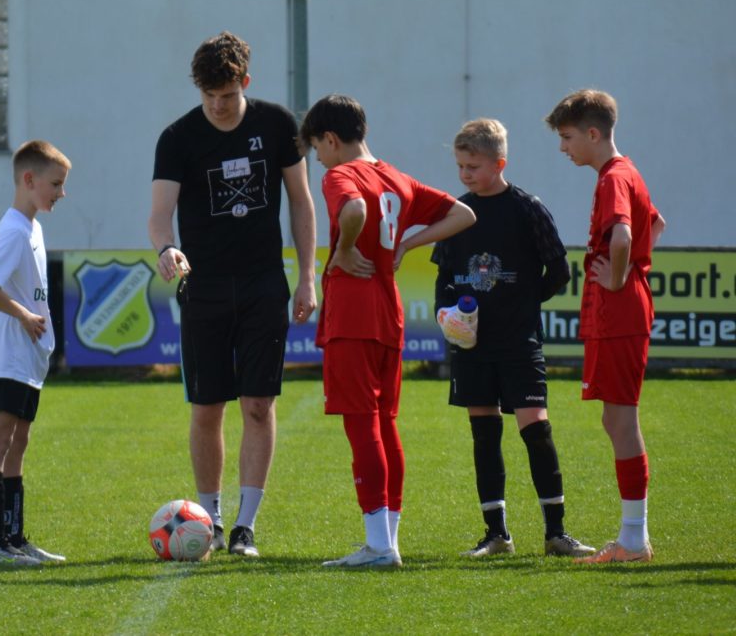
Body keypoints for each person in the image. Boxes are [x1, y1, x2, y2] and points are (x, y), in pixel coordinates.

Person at [148, 31, 317, 557]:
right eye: (209, 97)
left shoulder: (277, 125)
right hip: (205, 287)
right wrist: (166, 250)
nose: (218, 107)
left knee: (259, 406)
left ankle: (245, 526)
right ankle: (210, 519)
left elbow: (302, 204)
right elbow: (159, 216)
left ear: (246, 81)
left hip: (265, 283)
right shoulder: (176, 137)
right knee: (206, 407)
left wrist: (308, 275)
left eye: (227, 95)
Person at [298, 94, 476, 568]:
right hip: (387, 311)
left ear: (331, 140)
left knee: (362, 425)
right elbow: (464, 214)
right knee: (384, 423)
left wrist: (343, 249)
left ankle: (378, 546)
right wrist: (406, 244)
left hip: (353, 313)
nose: (319, 158)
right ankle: (388, 540)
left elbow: (352, 210)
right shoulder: (397, 177)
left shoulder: (340, 174)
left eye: (318, 147)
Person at [430, 118, 595, 559]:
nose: (466, 174)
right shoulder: (455, 212)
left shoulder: (527, 208)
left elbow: (558, 268)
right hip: (472, 347)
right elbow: (445, 277)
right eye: (461, 166)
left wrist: (526, 303)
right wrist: (445, 316)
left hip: (519, 341)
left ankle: (557, 534)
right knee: (484, 434)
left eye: (475, 166)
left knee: (536, 430)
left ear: (499, 163)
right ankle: (496, 535)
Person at [545, 89, 665, 564]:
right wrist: (632, 270)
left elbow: (626, 234)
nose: (564, 148)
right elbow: (657, 224)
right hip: (620, 309)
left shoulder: (613, 177)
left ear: (593, 134)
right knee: (615, 419)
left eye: (568, 137)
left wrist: (618, 277)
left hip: (618, 312)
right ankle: (632, 536)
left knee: (621, 420)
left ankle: (633, 539)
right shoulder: (626, 171)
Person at [0, 139, 71, 566]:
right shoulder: (13, 230)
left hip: (28, 357)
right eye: (55, 183)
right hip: (10, 353)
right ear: (29, 181)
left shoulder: (33, 226)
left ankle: (14, 538)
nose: (60, 193)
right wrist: (24, 315)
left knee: (18, 442)